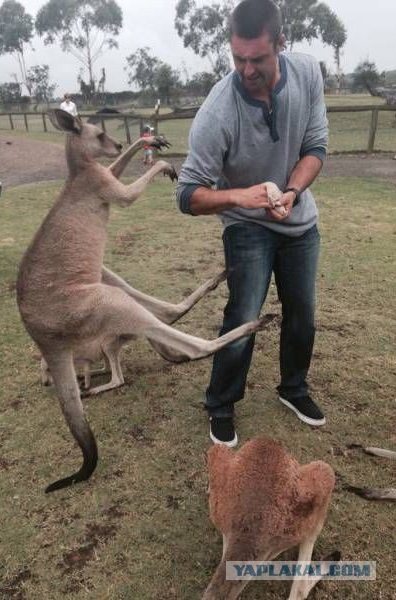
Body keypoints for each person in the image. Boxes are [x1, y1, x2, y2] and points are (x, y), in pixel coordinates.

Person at [176, 0, 328, 447]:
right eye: (238, 58)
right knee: (243, 312)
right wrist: (241, 197)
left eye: (257, 58)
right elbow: (186, 194)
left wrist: (292, 192)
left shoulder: (308, 74)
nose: (246, 69)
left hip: (298, 219)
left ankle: (293, 388)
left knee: (303, 312)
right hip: (246, 225)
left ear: (281, 43)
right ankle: (221, 404)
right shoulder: (217, 112)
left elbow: (316, 147)